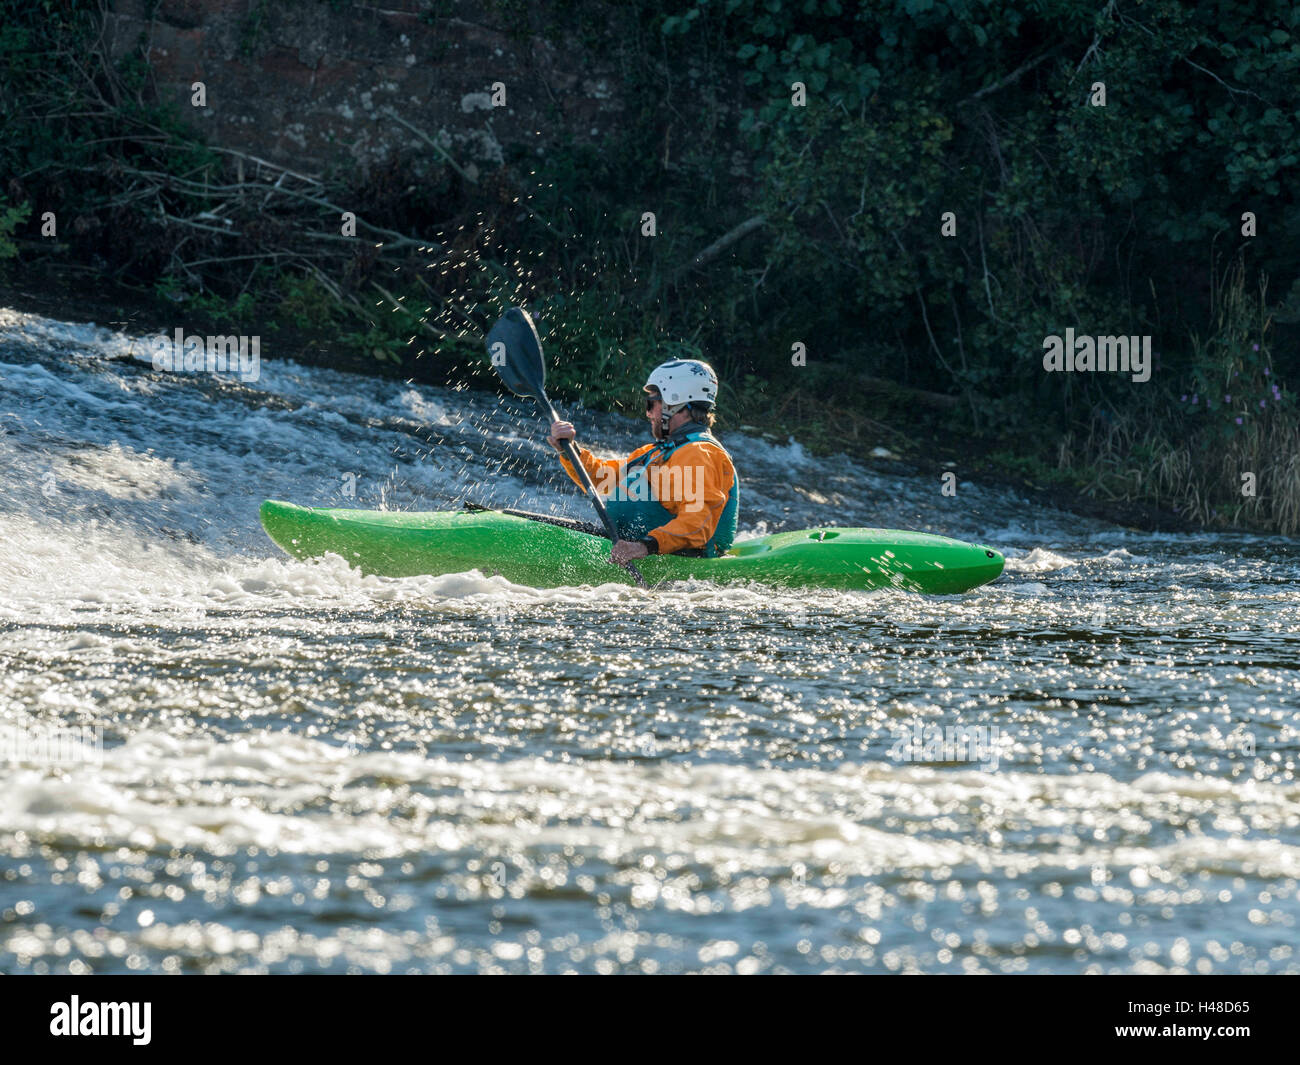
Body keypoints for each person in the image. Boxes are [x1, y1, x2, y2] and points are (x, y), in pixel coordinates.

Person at [547, 359, 739, 564]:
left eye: (652, 404)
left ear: (675, 403)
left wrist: (644, 546)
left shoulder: (699, 453)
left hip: (678, 557)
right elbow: (600, 479)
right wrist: (569, 450)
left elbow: (697, 523)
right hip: (636, 548)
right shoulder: (657, 453)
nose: (648, 413)